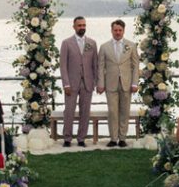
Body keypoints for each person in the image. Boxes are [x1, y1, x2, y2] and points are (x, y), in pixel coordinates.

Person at [97, 19, 140, 148]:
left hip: (126, 83)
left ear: (123, 31)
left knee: (124, 111)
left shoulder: (131, 45)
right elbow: (100, 66)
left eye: (120, 30)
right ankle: (113, 138)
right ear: (111, 30)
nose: (117, 32)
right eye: (115, 30)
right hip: (110, 83)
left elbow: (135, 65)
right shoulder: (104, 47)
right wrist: (100, 83)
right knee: (112, 111)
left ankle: (122, 138)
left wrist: (134, 83)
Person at [59, 16, 99, 147]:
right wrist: (66, 84)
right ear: (74, 27)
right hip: (71, 83)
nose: (82, 27)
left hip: (87, 83)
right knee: (69, 111)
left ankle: (81, 138)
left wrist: (95, 82)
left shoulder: (92, 43)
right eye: (79, 25)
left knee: (85, 111)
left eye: (84, 25)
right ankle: (67, 138)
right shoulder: (66, 43)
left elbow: (95, 65)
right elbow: (63, 66)